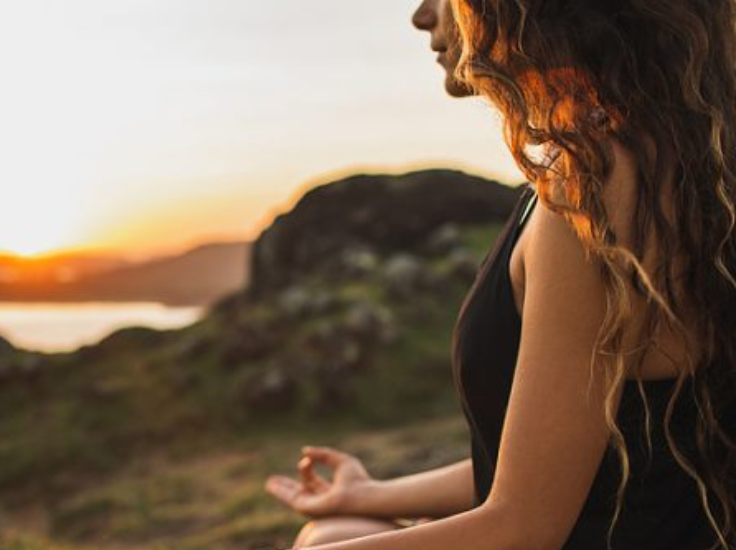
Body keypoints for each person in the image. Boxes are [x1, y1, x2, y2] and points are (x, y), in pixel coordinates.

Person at [263, 1, 736, 549]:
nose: (421, 15)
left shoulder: (600, 190)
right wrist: (368, 495)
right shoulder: (651, 159)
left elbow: (522, 527)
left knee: (326, 540)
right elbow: (560, 466)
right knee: (338, 528)